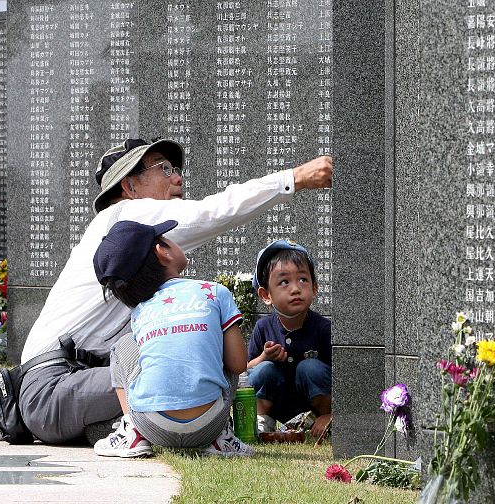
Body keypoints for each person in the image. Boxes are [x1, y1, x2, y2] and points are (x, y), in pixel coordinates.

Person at [18, 137, 332, 444]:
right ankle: (176, 431)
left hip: (67, 386)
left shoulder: (123, 237)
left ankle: (131, 430)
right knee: (183, 367)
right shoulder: (131, 215)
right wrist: (294, 178)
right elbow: (214, 212)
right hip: (55, 384)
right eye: (164, 168)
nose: (178, 177)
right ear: (130, 187)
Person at [92, 219, 252, 458]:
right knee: (219, 345)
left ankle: (133, 432)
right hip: (209, 425)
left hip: (153, 426)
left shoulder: (140, 310)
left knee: (122, 347)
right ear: (162, 251)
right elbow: (238, 365)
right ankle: (222, 439)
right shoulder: (214, 291)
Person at [246, 239, 332, 438]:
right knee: (262, 370)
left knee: (311, 368)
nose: (295, 289)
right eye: (284, 282)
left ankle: (325, 417)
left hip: (312, 405)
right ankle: (262, 421)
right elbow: (248, 369)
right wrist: (264, 357)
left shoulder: (323, 328)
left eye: (303, 280)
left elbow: (339, 379)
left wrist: (331, 413)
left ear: (315, 288)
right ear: (266, 295)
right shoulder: (263, 327)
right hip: (278, 401)